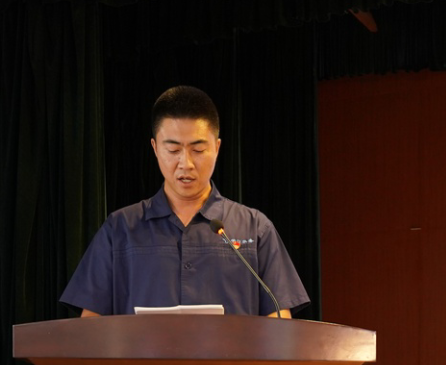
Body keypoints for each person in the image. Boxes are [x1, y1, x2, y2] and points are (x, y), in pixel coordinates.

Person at [61, 86, 310, 318]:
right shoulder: (120, 229)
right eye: (173, 150)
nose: (186, 163)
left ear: (217, 148)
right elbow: (90, 326)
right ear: (155, 148)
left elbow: (279, 325)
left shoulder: (255, 229)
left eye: (198, 150)